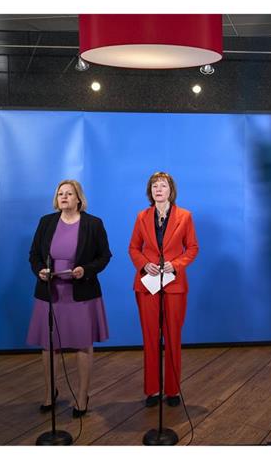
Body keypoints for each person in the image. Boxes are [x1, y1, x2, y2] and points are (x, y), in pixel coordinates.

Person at [26, 179, 111, 418]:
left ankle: (82, 396)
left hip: (81, 292)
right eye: (60, 193)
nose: (64, 197)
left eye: (69, 193)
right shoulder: (46, 222)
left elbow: (105, 256)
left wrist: (86, 269)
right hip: (49, 292)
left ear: (78, 198)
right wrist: (40, 270)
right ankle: (48, 393)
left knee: (83, 344)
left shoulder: (93, 224)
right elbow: (33, 256)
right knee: (48, 345)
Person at [128, 172, 199, 408]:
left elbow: (192, 248)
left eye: (163, 185)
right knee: (149, 338)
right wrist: (143, 264)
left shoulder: (185, 216)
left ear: (171, 190)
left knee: (172, 338)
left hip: (174, 284)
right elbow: (133, 248)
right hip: (147, 284)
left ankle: (172, 390)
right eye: (155, 186)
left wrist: (176, 265)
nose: (159, 189)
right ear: (150, 191)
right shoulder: (141, 216)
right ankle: (152, 390)